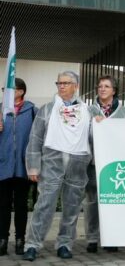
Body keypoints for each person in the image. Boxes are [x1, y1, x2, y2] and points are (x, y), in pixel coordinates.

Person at [22, 71, 93, 261]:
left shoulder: (89, 111)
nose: (61, 86)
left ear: (76, 86)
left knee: (71, 208)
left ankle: (64, 244)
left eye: (66, 83)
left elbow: (97, 138)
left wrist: (101, 123)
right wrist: (34, 167)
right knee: (44, 206)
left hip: (78, 166)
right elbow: (35, 139)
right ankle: (32, 245)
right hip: (51, 165)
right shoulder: (47, 110)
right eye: (59, 83)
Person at [84, 76, 125, 254]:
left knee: (113, 201)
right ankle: (92, 238)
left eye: (106, 86)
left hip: (114, 164)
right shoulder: (88, 111)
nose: (102, 89)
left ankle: (112, 237)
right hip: (93, 163)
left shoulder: (124, 111)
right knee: (92, 202)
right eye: (100, 86)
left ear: (114, 90)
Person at [0, 78, 37, 256]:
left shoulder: (32, 111)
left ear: (21, 91)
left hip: (24, 166)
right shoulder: (0, 110)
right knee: (3, 205)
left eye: (10, 89)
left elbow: (40, 138)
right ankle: (2, 240)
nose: (6, 92)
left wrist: (36, 165)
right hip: (3, 165)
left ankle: (20, 240)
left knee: (22, 205)